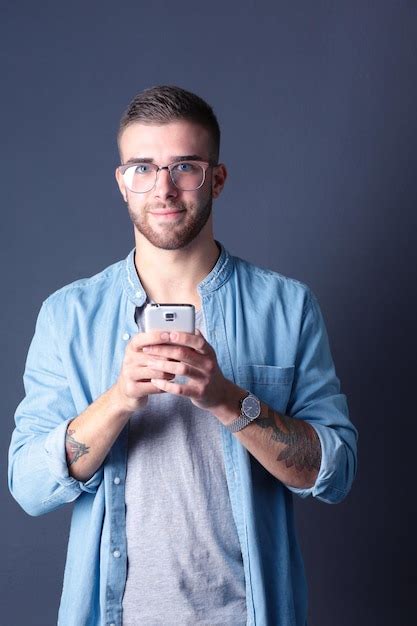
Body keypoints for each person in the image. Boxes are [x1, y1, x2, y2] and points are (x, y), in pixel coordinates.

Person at [8, 85, 358, 626]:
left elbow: (334, 472)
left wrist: (229, 401)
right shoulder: (67, 316)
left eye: (185, 167)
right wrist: (121, 399)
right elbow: (29, 486)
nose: (164, 189)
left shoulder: (288, 308)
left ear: (216, 178)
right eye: (143, 168)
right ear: (122, 183)